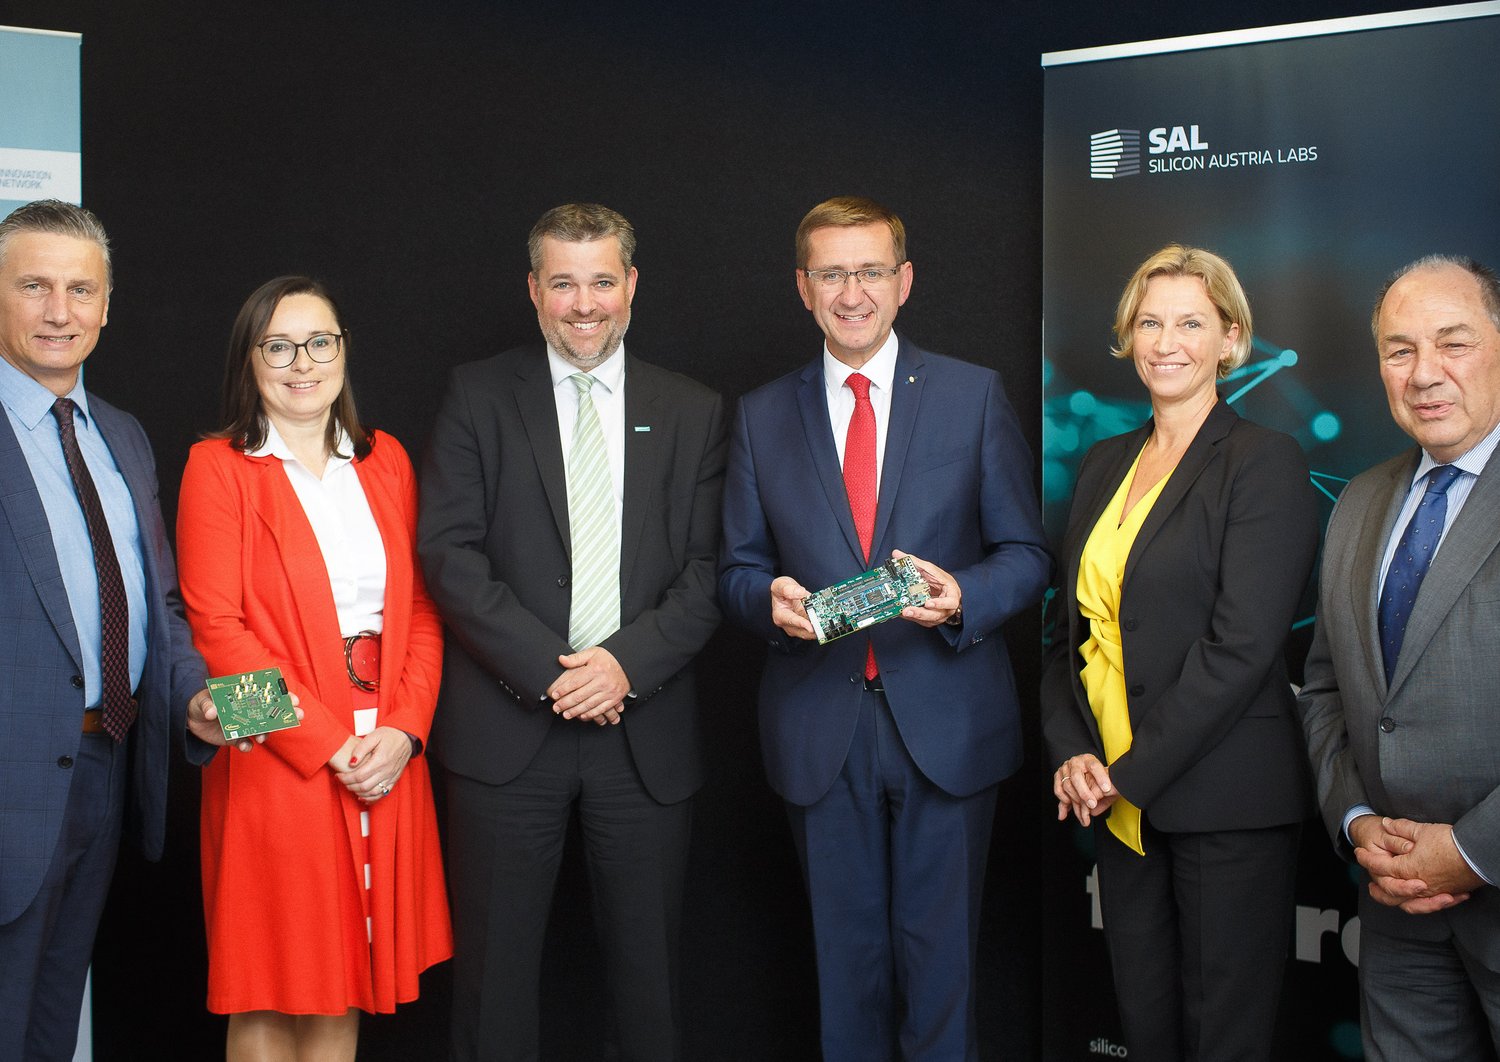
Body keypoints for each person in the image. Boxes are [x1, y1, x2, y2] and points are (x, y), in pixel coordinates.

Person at [718, 195, 1050, 1060]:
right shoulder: (760, 415)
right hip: (820, 730)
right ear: (803, 287)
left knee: (944, 968)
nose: (852, 291)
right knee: (846, 968)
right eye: (832, 273)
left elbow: (1025, 552)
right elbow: (735, 570)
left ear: (904, 283)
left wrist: (965, 597)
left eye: (869, 271)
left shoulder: (973, 395)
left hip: (948, 722)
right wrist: (767, 602)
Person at [417, 203, 726, 1062]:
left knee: (649, 987)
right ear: (533, 291)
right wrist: (556, 672)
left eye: (600, 281)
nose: (582, 304)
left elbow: (710, 572)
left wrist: (621, 667)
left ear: (630, 286)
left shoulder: (693, 409)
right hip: (509, 733)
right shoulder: (478, 393)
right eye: (563, 283)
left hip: (644, 733)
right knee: (494, 987)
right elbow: (447, 552)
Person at [1041, 245, 1319, 1060]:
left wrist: (1123, 773)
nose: (1167, 342)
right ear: (1127, 334)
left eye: (1191, 323)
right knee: (1146, 1029)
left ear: (1231, 339)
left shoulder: (1263, 461)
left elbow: (1242, 648)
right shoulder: (1102, 464)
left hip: (1224, 802)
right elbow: (1068, 636)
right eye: (1150, 322)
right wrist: (1071, 757)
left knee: (1221, 1038)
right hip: (1119, 804)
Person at [176, 276, 451, 1061]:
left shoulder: (386, 461)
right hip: (278, 751)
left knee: (349, 976)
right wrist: (327, 743)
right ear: (251, 360)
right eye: (279, 345)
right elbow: (217, 630)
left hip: (386, 752)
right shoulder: (217, 467)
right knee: (271, 979)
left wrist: (405, 730)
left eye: (319, 341)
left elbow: (425, 610)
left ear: (343, 351)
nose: (303, 362)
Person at [0, 199, 233, 1060]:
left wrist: (195, 700)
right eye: (33, 286)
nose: (59, 312)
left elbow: (156, 605)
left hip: (107, 771)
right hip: (10, 782)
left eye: (79, 290)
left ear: (106, 305)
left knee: (53, 1024)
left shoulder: (123, 438)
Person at [1299, 255, 1500, 1061]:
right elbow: (1323, 686)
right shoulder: (1360, 500)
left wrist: (1470, 851)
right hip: (1392, 909)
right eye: (1398, 349)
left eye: (1453, 343)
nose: (1424, 374)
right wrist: (1355, 819)